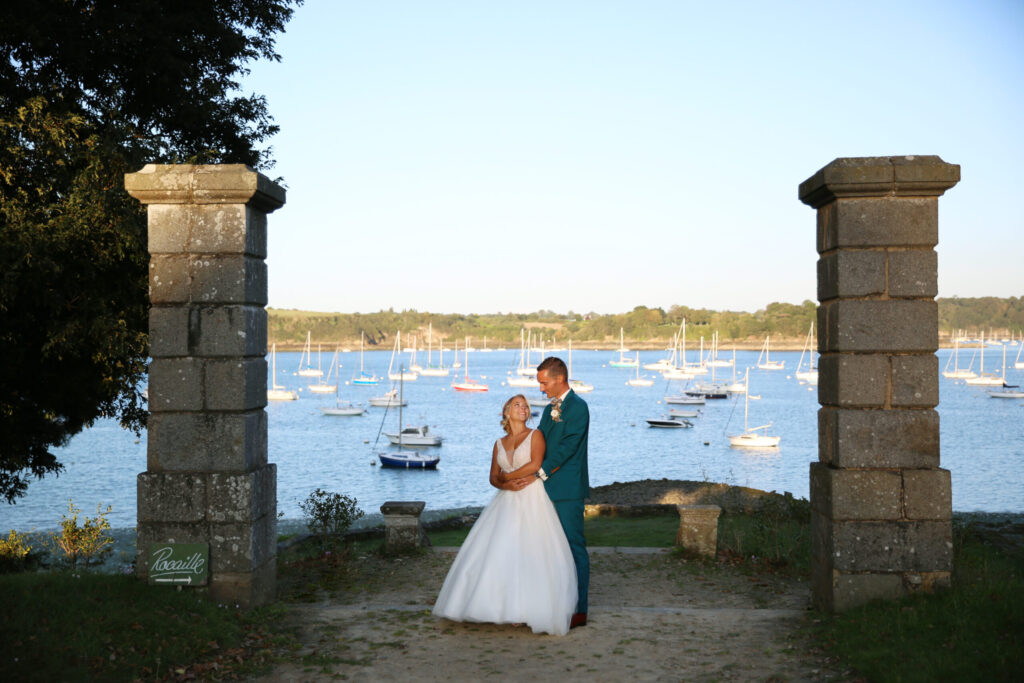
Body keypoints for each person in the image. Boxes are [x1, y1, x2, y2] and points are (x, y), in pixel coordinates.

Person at [432, 394, 577, 635]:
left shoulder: (535, 435)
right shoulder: (499, 443)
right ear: (506, 412)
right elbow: (492, 477)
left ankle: (526, 609)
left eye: (526, 406)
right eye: (517, 405)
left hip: (531, 497)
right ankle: (496, 605)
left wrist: (506, 477)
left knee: (530, 550)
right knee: (500, 551)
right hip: (505, 500)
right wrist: (504, 485)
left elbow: (534, 464)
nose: (523, 408)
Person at [500, 356, 590, 629]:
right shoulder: (553, 408)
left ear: (559, 379)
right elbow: (536, 441)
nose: (541, 388)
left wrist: (536, 473)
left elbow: (567, 448)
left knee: (573, 549)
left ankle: (578, 610)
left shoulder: (578, 408)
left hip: (566, 490)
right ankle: (551, 602)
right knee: (548, 550)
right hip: (542, 491)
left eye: (544, 382)